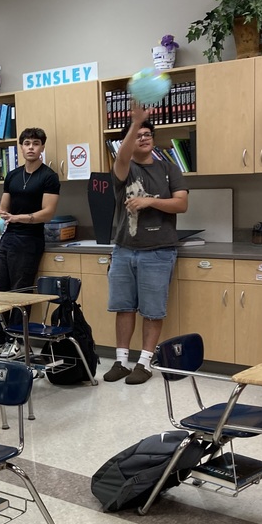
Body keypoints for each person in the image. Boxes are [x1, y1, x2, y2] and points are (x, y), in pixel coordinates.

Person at [102, 102, 188, 385]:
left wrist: (149, 200)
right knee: (123, 307)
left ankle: (145, 362)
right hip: (125, 250)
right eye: (138, 134)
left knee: (152, 310)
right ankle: (121, 361)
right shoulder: (124, 169)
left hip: (159, 250)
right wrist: (135, 122)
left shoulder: (169, 169)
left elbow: (181, 204)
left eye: (147, 133)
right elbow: (122, 155)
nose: (144, 137)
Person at [0, 127, 61, 357]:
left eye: (36, 143)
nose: (31, 147)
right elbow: (4, 208)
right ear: (21, 147)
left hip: (30, 239)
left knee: (20, 293)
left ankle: (16, 341)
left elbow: (48, 213)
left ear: (42, 147)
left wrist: (19, 218)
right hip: (8, 237)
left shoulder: (49, 177)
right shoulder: (12, 175)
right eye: (27, 143)